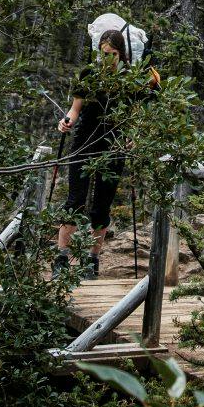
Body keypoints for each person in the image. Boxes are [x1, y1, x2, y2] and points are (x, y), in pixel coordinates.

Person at [52, 28, 155, 278]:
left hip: (113, 147)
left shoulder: (131, 79)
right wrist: (66, 121)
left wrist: (133, 136)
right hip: (84, 144)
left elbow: (136, 115)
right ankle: (61, 259)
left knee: (101, 207)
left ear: (121, 54)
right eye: (103, 53)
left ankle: (92, 261)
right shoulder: (89, 73)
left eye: (113, 54)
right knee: (74, 201)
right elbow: (75, 109)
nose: (108, 58)